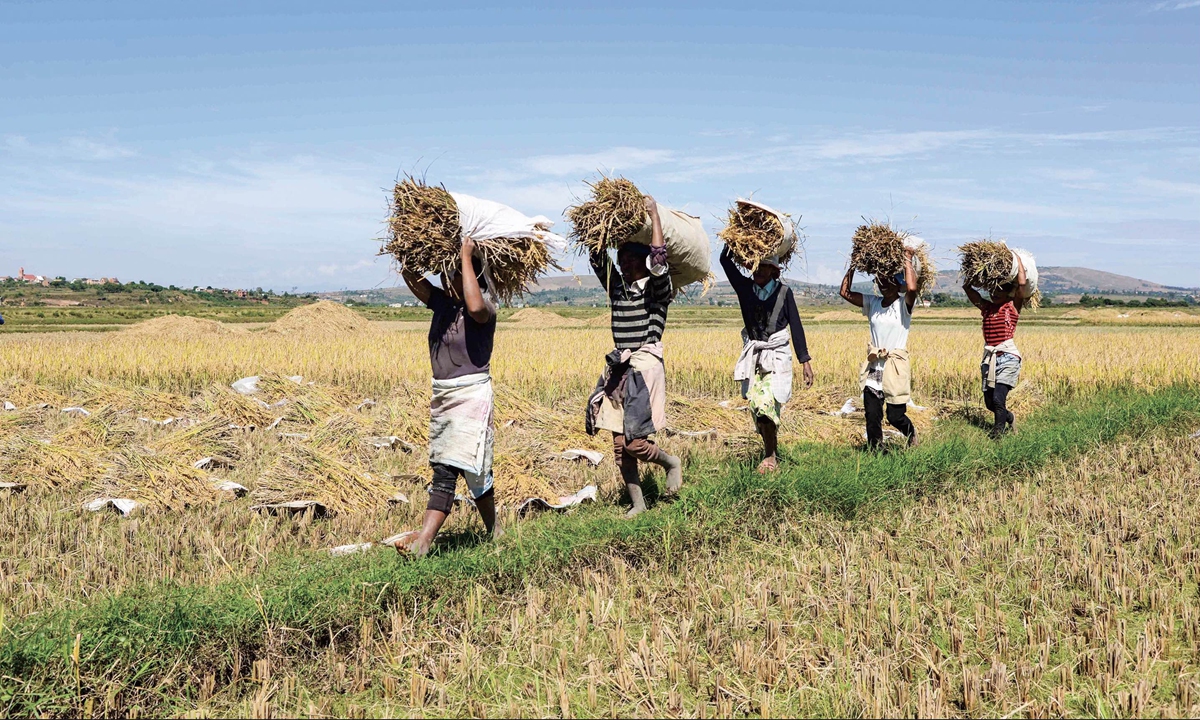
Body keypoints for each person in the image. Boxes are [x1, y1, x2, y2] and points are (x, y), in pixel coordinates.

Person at [397, 237, 500, 556]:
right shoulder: (443, 304)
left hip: (470, 397)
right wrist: (405, 252)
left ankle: (427, 541)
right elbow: (413, 280)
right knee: (461, 469)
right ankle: (491, 531)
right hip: (444, 397)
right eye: (445, 272)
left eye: (452, 272)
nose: (445, 278)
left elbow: (474, 305)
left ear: (473, 275)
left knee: (459, 470)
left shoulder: (484, 307)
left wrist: (466, 256)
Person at [585, 196, 683, 518]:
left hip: (644, 370)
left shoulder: (657, 290)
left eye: (629, 260)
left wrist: (654, 215)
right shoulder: (617, 289)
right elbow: (597, 258)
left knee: (635, 444)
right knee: (618, 447)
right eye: (621, 259)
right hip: (619, 369)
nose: (623, 265)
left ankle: (670, 462)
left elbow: (658, 259)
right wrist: (599, 220)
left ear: (642, 262)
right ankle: (638, 504)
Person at [720, 244, 815, 472]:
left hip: (777, 356)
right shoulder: (745, 289)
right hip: (756, 356)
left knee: (766, 405)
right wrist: (735, 242)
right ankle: (771, 450)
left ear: (775, 271)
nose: (759, 271)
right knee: (757, 406)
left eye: (764, 266)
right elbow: (725, 261)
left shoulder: (784, 293)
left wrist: (805, 361)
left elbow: (796, 326)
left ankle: (770, 456)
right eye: (755, 266)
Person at [839, 248, 920, 450]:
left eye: (888, 280)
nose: (883, 284)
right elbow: (845, 293)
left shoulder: (904, 306)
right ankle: (875, 451)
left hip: (894, 367)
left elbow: (912, 289)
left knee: (895, 415)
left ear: (897, 283)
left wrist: (907, 258)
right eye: (880, 280)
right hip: (875, 366)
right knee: (872, 414)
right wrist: (853, 266)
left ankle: (911, 434)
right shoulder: (873, 303)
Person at [963, 254, 1029, 438]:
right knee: (989, 403)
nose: (994, 294)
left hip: (1008, 357)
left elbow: (1022, 285)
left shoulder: (1012, 307)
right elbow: (968, 290)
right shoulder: (986, 308)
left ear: (1007, 292)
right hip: (989, 358)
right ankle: (1009, 417)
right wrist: (973, 271)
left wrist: (1018, 262)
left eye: (998, 291)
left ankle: (997, 436)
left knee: (999, 399)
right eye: (992, 290)